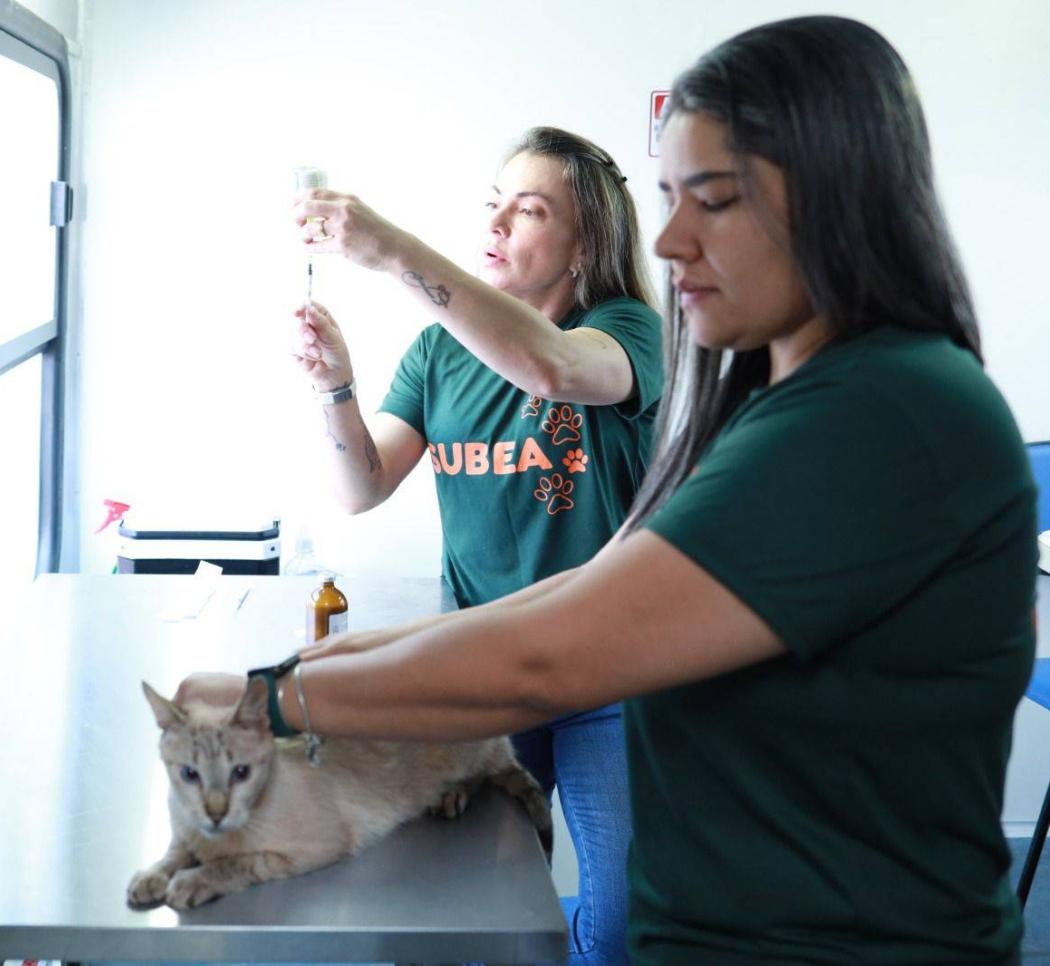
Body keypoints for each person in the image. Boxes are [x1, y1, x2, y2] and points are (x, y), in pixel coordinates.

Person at [192, 16, 1038, 964]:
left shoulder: (877, 415)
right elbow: (564, 599)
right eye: (670, 197)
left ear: (834, 199)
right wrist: (282, 681)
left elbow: (547, 654)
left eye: (710, 201)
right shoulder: (782, 404)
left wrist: (270, 703)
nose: (672, 242)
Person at [291, 127, 662, 965]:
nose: (496, 224)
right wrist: (335, 387)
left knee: (619, 921)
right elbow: (362, 486)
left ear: (583, 246)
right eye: (493, 204)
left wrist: (390, 252)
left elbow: (554, 369)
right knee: (476, 910)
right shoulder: (437, 353)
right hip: (490, 664)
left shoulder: (628, 332)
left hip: (612, 676)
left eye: (528, 211)